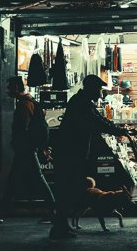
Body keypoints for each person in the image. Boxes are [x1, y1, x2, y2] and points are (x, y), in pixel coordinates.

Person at [49, 74, 128, 240]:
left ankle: (60, 224)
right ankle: (59, 225)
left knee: (72, 189)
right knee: (71, 189)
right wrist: (119, 131)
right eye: (99, 90)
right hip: (69, 152)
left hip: (72, 152)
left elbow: (98, 119)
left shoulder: (84, 102)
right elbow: (96, 121)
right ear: (92, 89)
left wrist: (119, 129)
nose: (101, 94)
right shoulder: (80, 103)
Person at [0, 76, 56, 225]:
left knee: (37, 180)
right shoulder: (31, 101)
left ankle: (54, 211)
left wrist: (20, 144)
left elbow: (23, 128)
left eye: (9, 88)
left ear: (16, 87)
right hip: (26, 149)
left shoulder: (24, 105)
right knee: (14, 180)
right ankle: (0, 211)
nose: (7, 91)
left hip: (25, 150)